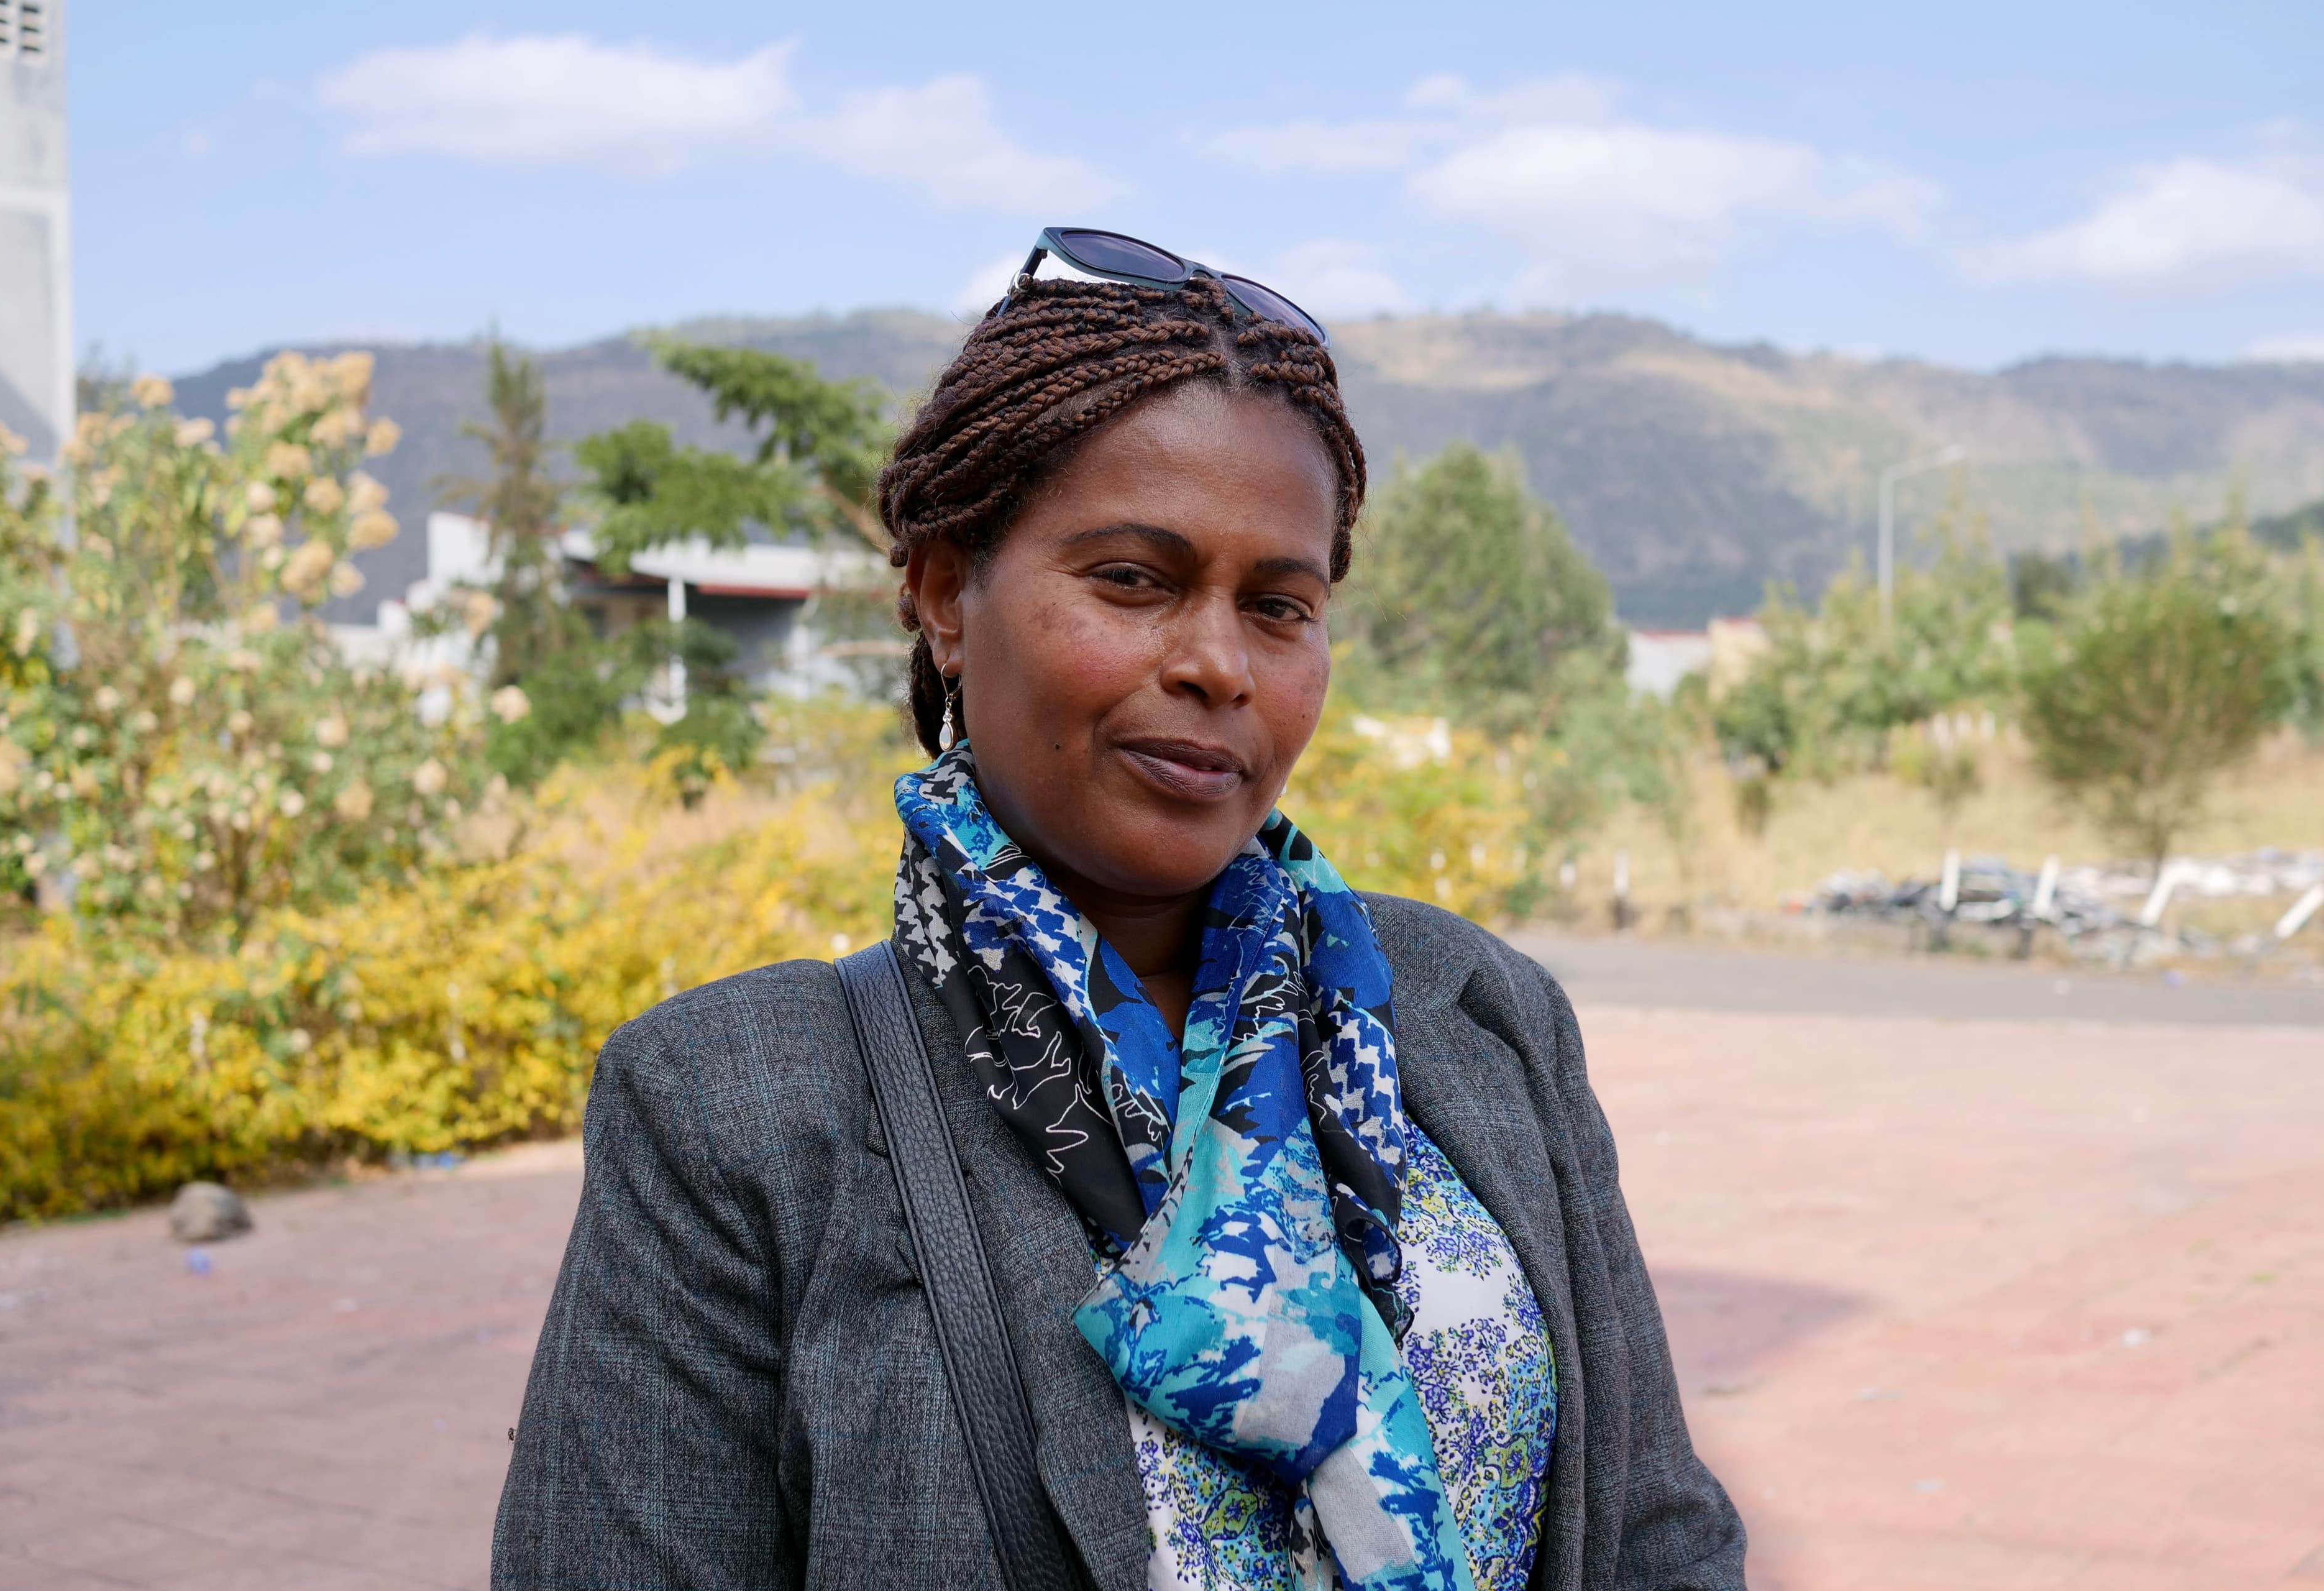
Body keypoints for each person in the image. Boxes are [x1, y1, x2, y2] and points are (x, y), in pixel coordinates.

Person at [493, 229, 1743, 1591]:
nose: (1216, 662)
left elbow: (1654, 1529)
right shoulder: (740, 1105)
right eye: (1134, 580)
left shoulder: (1470, 1013)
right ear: (941, 592)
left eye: (1279, 603)